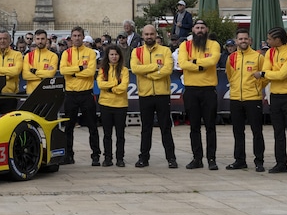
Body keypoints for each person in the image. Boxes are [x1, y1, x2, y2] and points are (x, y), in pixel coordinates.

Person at [256, 27, 287, 174]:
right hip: (275, 95)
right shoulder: (270, 53)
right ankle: (280, 163)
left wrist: (265, 73)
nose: (268, 41)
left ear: (278, 39)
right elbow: (273, 74)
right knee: (278, 131)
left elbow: (277, 74)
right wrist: (272, 74)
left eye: (270, 39)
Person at [176, 19, 221, 170]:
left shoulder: (214, 44)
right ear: (193, 30)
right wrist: (201, 66)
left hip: (208, 90)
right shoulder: (185, 45)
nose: (200, 30)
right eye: (197, 27)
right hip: (191, 90)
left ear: (206, 30)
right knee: (194, 127)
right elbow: (183, 63)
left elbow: (213, 60)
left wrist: (194, 62)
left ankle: (212, 159)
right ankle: (197, 158)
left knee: (210, 127)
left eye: (202, 27)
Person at [131, 24, 176, 168]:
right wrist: (156, 67)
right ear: (142, 35)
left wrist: (149, 75)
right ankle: (144, 158)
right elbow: (135, 68)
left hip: (162, 94)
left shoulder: (165, 50)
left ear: (156, 35)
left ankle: (171, 158)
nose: (149, 36)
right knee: (146, 128)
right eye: (146, 34)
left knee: (165, 128)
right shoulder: (137, 52)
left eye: (151, 34)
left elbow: (168, 69)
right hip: (145, 95)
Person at [225, 29, 264, 172]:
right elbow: (230, 75)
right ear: (236, 41)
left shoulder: (258, 57)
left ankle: (259, 161)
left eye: (245, 39)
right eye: (240, 39)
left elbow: (264, 76)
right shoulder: (231, 58)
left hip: (253, 98)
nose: (243, 41)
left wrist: (256, 88)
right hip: (236, 98)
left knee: (257, 131)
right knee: (238, 131)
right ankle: (239, 160)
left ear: (250, 41)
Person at [59, 27, 99, 166]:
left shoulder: (90, 53)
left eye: (79, 35)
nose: (77, 38)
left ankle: (95, 155)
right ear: (71, 37)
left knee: (92, 126)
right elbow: (63, 70)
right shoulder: (66, 53)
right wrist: (80, 68)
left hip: (86, 93)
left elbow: (91, 72)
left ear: (83, 37)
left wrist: (73, 73)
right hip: (71, 94)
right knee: (68, 127)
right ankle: (68, 155)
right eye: (74, 36)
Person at [95, 45, 129, 166]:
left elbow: (123, 86)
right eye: (112, 54)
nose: (114, 57)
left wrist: (110, 88)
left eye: (116, 54)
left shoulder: (124, 70)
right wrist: (115, 83)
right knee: (107, 134)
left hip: (120, 105)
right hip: (105, 104)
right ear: (108, 56)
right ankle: (107, 158)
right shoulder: (103, 70)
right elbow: (100, 84)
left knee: (120, 134)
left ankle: (120, 158)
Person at [23, 29, 59, 95]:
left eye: (42, 39)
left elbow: (50, 74)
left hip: (46, 93)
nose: (40, 41)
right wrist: (44, 74)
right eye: (38, 39)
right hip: (31, 93)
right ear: (34, 40)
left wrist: (35, 72)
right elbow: (25, 75)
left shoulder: (53, 56)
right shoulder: (28, 56)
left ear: (46, 40)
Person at [0, 30, 22, 95]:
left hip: (11, 94)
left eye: (5, 38)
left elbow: (16, 71)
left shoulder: (17, 54)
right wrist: (6, 77)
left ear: (10, 40)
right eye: (0, 39)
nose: (2, 41)